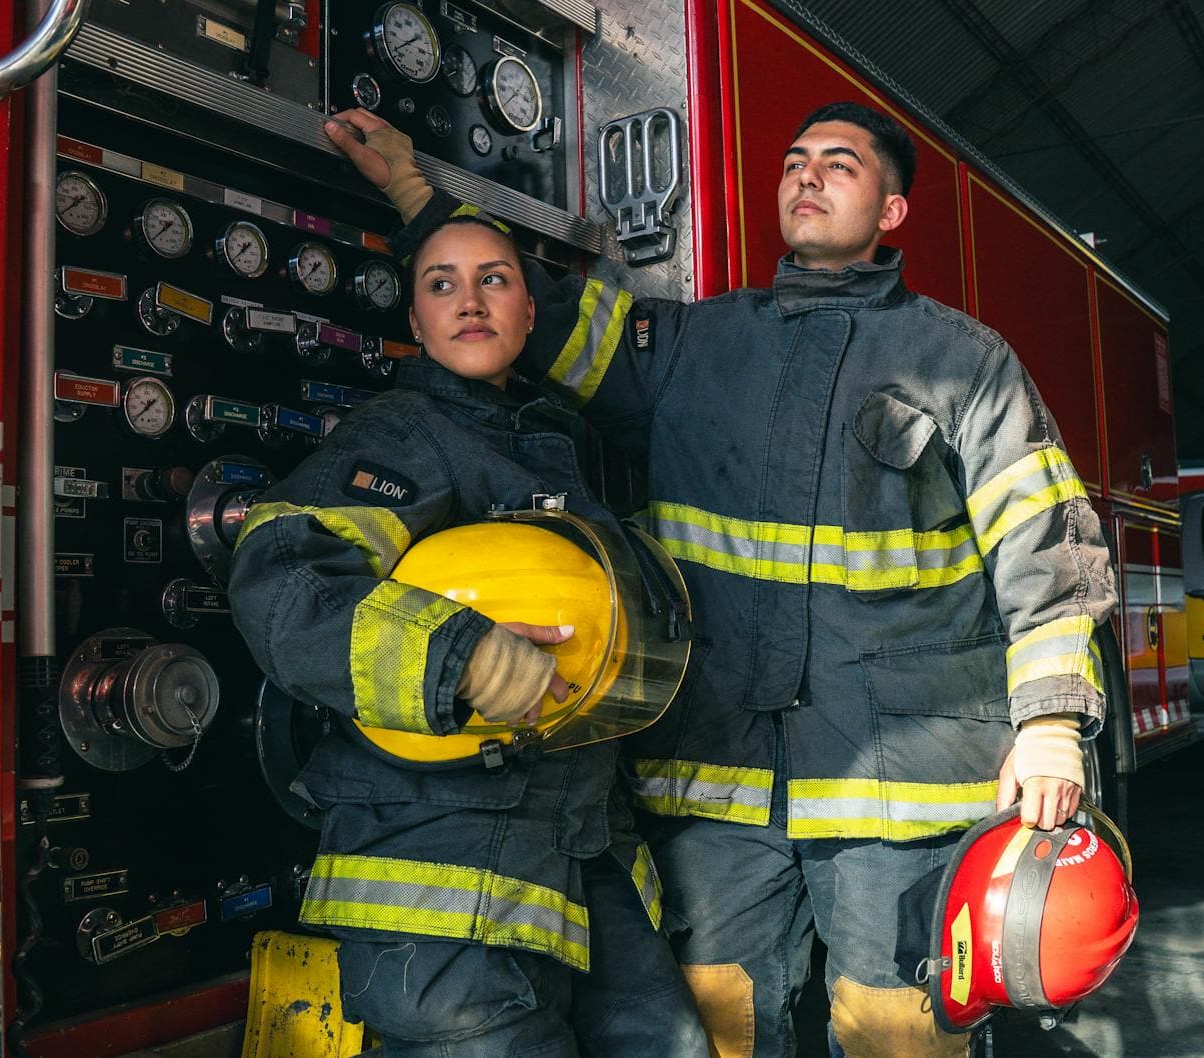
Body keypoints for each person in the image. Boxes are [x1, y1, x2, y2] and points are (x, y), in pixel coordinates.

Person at [325, 100, 1117, 1058]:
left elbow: (1048, 549)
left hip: (894, 799)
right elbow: (515, 307)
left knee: (896, 1036)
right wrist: (415, 192)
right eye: (793, 161)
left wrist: (1050, 726)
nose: (807, 177)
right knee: (720, 1032)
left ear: (893, 212)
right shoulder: (687, 347)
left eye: (840, 164)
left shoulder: (965, 363)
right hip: (717, 795)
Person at [228, 216, 709, 1058]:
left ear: (530, 311)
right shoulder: (404, 435)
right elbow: (281, 578)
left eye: (494, 279)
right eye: (440, 285)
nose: (469, 302)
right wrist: (462, 656)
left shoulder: (558, 450)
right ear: (414, 323)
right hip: (442, 882)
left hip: (575, 853)